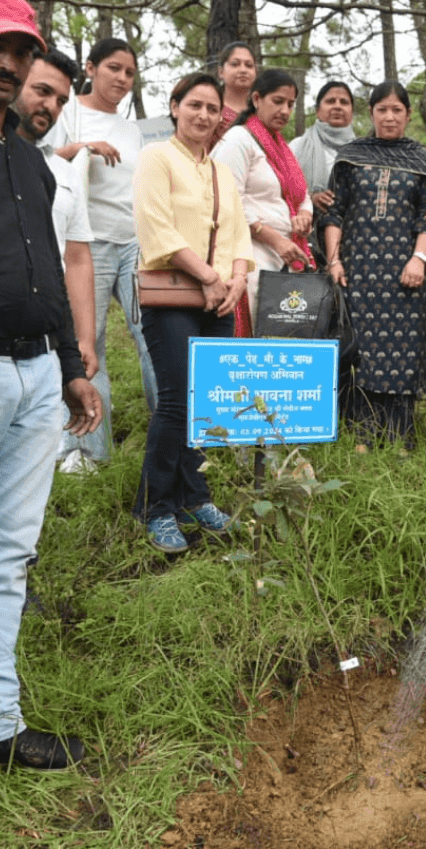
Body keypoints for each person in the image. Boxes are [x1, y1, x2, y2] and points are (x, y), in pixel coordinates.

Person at [0, 0, 102, 773]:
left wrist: (74, 368)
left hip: (39, 373)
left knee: (7, 554)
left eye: (22, 51)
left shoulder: (27, 158)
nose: (8, 64)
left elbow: (46, 266)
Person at [132, 72, 252, 552]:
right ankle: (155, 506)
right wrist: (208, 275)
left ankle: (193, 497)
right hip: (174, 296)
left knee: (206, 405)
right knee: (178, 400)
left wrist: (236, 280)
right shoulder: (155, 157)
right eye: (194, 105)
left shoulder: (220, 169)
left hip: (221, 297)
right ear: (175, 107)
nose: (203, 115)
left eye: (212, 108)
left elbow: (238, 233)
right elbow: (155, 228)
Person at [46, 36, 155, 471]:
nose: (122, 79)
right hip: (86, 245)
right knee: (90, 348)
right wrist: (82, 148)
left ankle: (175, 432)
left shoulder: (132, 130)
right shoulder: (67, 114)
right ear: (90, 68)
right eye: (114, 68)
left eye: (129, 73)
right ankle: (88, 452)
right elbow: (43, 158)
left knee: (152, 335)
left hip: (132, 244)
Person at [319, 81, 426, 445]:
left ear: (407, 115)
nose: (389, 117)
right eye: (382, 110)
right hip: (357, 273)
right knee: (362, 353)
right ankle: (360, 438)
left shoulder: (422, 160)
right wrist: (334, 261)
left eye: (397, 110)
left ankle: (401, 439)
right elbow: (335, 213)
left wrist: (418, 259)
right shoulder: (350, 156)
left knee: (403, 353)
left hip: (407, 276)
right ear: (370, 113)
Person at [13, 49, 97, 385]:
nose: (51, 107)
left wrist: (85, 339)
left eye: (61, 100)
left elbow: (76, 259)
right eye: (42, 91)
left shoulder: (64, 172)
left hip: (49, 342)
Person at [212, 68, 313, 332]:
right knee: (254, 332)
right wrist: (273, 238)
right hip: (249, 250)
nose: (285, 111)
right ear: (256, 99)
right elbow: (227, 198)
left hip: (286, 251)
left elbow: (302, 196)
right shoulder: (238, 139)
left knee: (280, 333)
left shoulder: (283, 147)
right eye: (278, 101)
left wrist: (305, 215)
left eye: (290, 104)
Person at [289, 80, 356, 217]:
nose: (338, 106)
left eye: (344, 102)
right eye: (331, 101)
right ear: (317, 110)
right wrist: (311, 198)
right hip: (306, 229)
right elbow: (282, 188)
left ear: (352, 112)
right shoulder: (298, 146)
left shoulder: (362, 152)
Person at [210, 41, 256, 150]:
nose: (243, 70)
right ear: (221, 72)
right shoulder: (210, 109)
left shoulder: (261, 112)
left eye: (249, 65)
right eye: (235, 64)